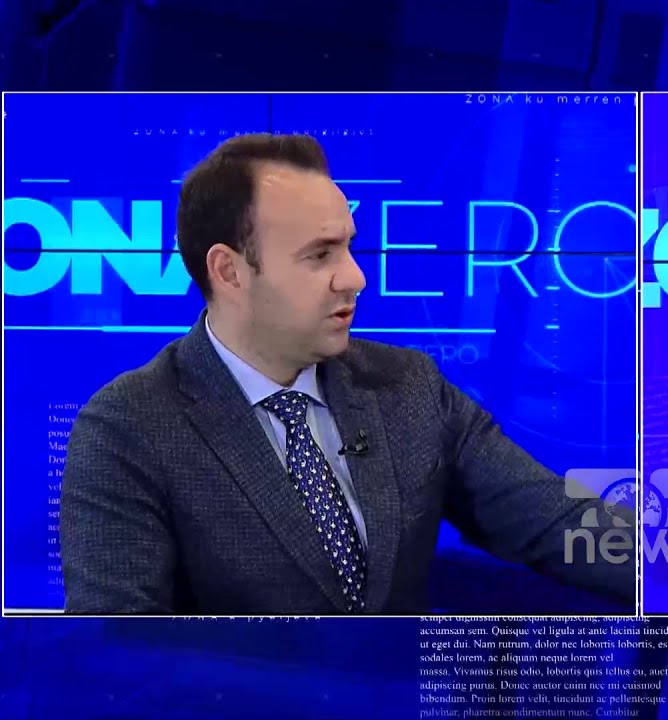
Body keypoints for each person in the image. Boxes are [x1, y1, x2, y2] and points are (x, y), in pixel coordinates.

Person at [61, 133, 636, 615]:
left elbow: (556, 523)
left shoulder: (408, 386)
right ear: (229, 271)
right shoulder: (128, 427)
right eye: (320, 255)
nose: (355, 278)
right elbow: (116, 651)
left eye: (349, 248)